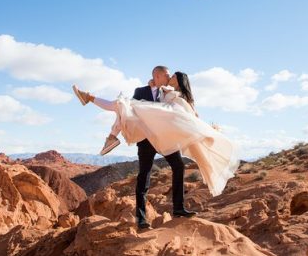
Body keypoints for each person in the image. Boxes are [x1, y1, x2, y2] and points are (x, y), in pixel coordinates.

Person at [72, 66, 239, 229]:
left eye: (170, 76)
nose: (168, 78)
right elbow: (131, 112)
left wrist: (206, 129)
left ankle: (178, 209)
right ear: (158, 76)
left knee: (179, 166)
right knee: (143, 174)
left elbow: (188, 111)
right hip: (146, 140)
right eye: (166, 75)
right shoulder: (142, 90)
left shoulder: (168, 92)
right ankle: (142, 218)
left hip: (164, 138)